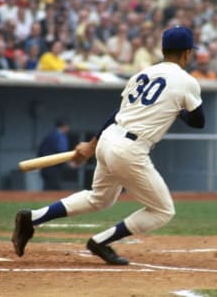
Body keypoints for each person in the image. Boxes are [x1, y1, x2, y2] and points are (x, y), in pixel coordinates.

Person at [11, 25, 205, 265]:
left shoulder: (141, 74)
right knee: (163, 211)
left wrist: (92, 144)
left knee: (100, 198)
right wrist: (179, 111)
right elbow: (199, 121)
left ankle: (32, 218)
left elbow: (117, 113)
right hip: (130, 149)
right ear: (187, 53)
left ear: (163, 50)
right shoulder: (187, 82)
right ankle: (101, 242)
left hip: (108, 139)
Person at [37, 118, 71, 190]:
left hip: (44, 165)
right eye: (68, 126)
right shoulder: (60, 136)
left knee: (48, 187)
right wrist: (69, 163)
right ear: (64, 126)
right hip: (54, 167)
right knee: (54, 189)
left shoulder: (50, 135)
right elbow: (62, 152)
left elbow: (40, 150)